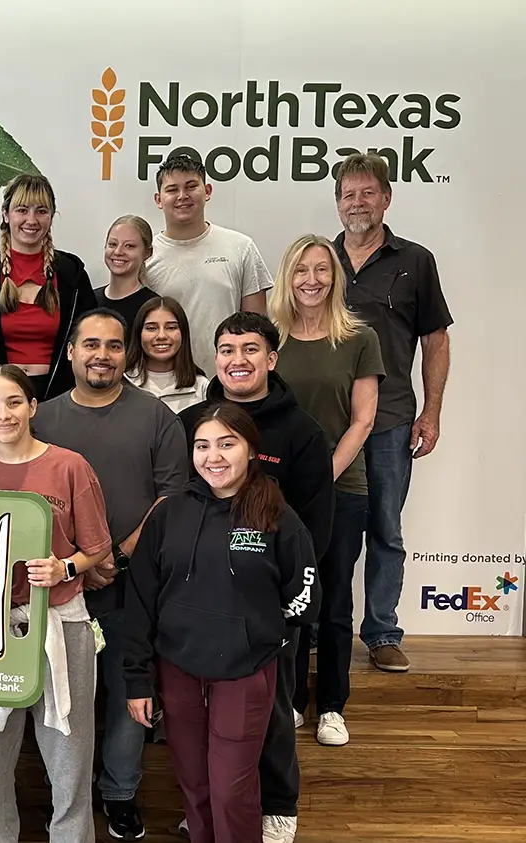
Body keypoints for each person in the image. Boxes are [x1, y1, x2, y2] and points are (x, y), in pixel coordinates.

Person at [122, 404, 318, 843]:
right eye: (203, 445)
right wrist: (137, 678)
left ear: (250, 449)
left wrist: (261, 636)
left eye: (227, 444)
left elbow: (303, 594)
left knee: (232, 789)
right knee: (195, 786)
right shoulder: (170, 514)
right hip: (178, 668)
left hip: (246, 673)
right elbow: (141, 600)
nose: (214, 456)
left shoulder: (277, 515)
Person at [177, 311, 333, 843]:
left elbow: (315, 528)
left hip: (270, 612)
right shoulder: (192, 421)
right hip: (205, 611)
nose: (236, 360)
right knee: (208, 721)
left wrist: (289, 614)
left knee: (273, 714)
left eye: (249, 350)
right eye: (226, 350)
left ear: (271, 358)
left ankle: (279, 803)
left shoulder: (302, 430)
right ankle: (220, 801)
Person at [33, 309, 188, 840]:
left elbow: (171, 497)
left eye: (115, 345)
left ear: (128, 354)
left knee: (128, 688)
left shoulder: (156, 417)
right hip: (54, 585)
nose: (103, 354)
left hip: (132, 583)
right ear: (71, 352)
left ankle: (120, 792)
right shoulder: (42, 418)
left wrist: (114, 558)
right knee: (63, 694)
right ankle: (63, 793)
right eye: (91, 344)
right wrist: (78, 563)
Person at [0, 364, 112, 843]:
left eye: (13, 402)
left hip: (62, 622)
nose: (3, 413)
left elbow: (97, 546)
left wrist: (64, 568)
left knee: (69, 760)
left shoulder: (71, 466)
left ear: (32, 407)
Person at [332, 152, 453, 673]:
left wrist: (432, 412)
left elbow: (436, 339)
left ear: (386, 197)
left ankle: (381, 630)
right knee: (322, 528)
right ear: (337, 203)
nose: (357, 203)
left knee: (385, 527)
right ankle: (316, 625)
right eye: (347, 194)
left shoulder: (415, 261)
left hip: (390, 419)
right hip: (327, 421)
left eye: (367, 193)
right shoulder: (319, 259)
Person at [271, 234, 384, 747]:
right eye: (301, 270)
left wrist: (320, 477)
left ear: (335, 278)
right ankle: (292, 700)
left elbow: (362, 422)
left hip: (343, 486)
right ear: (287, 278)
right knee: (292, 600)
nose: (311, 280)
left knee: (335, 599)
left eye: (322, 270)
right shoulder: (271, 338)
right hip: (278, 493)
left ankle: (332, 705)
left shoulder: (360, 338)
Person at [0, 174, 98, 402]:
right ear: (6, 215)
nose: (31, 220)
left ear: (52, 217)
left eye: (41, 211)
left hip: (61, 398)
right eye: (22, 210)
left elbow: (91, 339)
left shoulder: (72, 276)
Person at [146, 150, 272, 373]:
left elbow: (257, 331)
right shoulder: (145, 257)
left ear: (208, 191)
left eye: (191, 186)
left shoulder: (240, 248)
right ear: (158, 199)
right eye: (172, 189)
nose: (182, 196)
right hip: (163, 386)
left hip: (228, 383)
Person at [125, 296, 210, 413]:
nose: (161, 336)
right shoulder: (122, 383)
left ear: (183, 333)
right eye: (151, 328)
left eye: (170, 327)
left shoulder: (201, 387)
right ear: (139, 333)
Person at [97, 215, 157, 329]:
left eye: (129, 246)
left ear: (147, 253)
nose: (118, 251)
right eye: (113, 244)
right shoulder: (89, 300)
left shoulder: (153, 308)